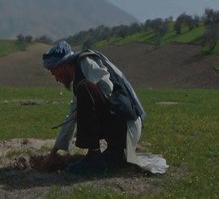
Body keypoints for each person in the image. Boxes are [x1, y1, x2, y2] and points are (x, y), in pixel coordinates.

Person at [42, 40, 168, 175]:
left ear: (61, 66)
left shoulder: (86, 61)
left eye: (53, 72)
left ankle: (93, 157)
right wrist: (54, 152)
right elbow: (72, 114)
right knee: (84, 91)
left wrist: (89, 109)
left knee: (86, 88)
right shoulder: (78, 78)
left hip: (126, 124)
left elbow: (107, 87)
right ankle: (116, 153)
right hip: (119, 124)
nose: (56, 79)